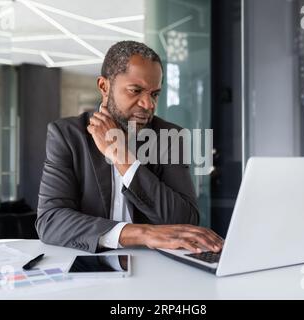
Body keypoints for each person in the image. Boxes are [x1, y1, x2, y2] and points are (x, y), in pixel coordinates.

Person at [36, 41, 223, 254]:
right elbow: (51, 220)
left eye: (154, 94)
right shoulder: (68, 135)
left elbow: (184, 220)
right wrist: (142, 233)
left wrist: (123, 159)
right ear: (104, 87)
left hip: (153, 267)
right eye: (136, 90)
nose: (149, 104)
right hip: (88, 263)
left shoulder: (170, 137)